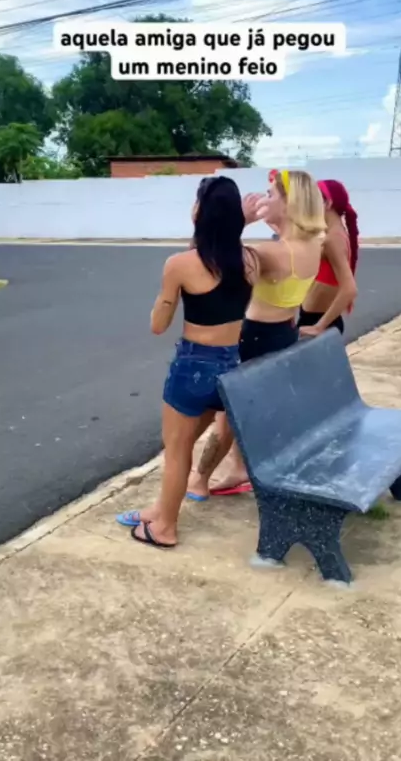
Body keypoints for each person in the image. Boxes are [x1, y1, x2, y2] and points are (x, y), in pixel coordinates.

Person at [115, 175, 260, 549]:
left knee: (177, 451)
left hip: (193, 366)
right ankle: (159, 509)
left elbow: (158, 325)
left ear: (200, 213)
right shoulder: (250, 260)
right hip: (230, 364)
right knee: (183, 445)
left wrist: (166, 296)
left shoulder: (180, 264)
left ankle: (165, 526)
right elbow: (222, 251)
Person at [187, 169, 327, 499]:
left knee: (225, 417)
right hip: (282, 333)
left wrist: (240, 222)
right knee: (241, 412)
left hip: (253, 338)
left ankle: (199, 481)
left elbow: (202, 259)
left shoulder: (270, 253)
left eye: (271, 195)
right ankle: (237, 468)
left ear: (290, 204)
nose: (264, 200)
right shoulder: (311, 245)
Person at [298, 179, 359, 336]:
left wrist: (319, 327)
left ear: (328, 203)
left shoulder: (334, 239)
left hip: (317, 321)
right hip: (312, 318)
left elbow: (349, 289)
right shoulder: (333, 233)